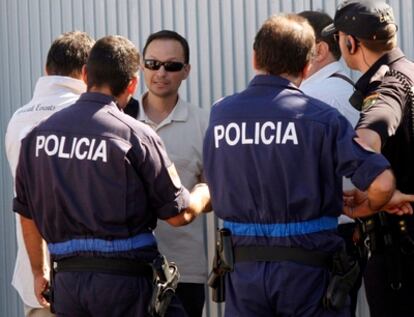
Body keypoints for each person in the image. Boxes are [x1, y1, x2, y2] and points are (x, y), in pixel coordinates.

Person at [203, 14, 414, 316]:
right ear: (306, 66)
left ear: (254, 58)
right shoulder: (319, 116)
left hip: (242, 269)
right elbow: (380, 182)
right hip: (307, 271)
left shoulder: (220, 114)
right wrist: (369, 205)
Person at [12, 35, 211, 317]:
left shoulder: (36, 137)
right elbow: (178, 215)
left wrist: (37, 270)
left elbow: (26, 212)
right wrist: (204, 192)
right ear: (132, 83)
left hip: (67, 284)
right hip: (125, 285)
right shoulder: (136, 135)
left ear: (84, 74)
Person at [322, 1, 414, 316]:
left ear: (350, 42)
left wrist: (376, 196)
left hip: (400, 257)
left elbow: (365, 140)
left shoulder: (387, 85)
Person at [5, 31, 94, 317]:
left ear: (46, 70)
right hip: (86, 277)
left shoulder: (17, 117)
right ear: (86, 72)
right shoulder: (89, 117)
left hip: (35, 278)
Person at [131, 30, 209, 317]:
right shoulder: (119, 119)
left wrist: (192, 202)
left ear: (186, 71)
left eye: (172, 66)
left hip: (184, 270)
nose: (160, 72)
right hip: (128, 270)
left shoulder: (204, 123)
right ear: (141, 65)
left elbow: (216, 192)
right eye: (152, 64)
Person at [298, 11, 362, 317]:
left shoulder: (316, 96)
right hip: (345, 232)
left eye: (295, 43)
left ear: (320, 50)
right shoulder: (343, 90)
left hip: (325, 234)